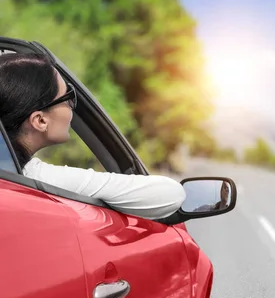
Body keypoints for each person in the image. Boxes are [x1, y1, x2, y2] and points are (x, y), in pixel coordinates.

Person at [0, 53, 186, 220]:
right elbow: (171, 194)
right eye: (68, 97)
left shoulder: (12, 174)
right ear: (40, 120)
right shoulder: (35, 176)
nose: (73, 105)